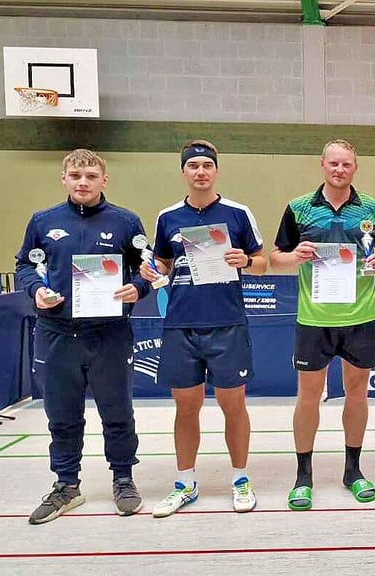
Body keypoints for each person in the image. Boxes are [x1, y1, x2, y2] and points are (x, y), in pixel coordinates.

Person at [16, 149, 149, 524]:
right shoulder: (43, 221)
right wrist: (34, 292)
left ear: (104, 180)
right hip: (58, 332)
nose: (83, 182)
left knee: (117, 411)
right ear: (64, 179)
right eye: (76, 176)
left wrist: (138, 287)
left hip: (109, 333)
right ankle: (66, 485)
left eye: (91, 175)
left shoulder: (126, 222)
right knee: (61, 414)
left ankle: (123, 477)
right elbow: (25, 264)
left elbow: (147, 266)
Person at [142, 140, 267, 518]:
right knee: (186, 408)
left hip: (226, 323)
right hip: (181, 324)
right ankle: (185, 483)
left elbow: (262, 262)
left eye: (206, 166)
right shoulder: (167, 217)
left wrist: (245, 259)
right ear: (184, 172)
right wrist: (152, 271)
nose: (200, 171)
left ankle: (241, 479)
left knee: (234, 406)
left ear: (216, 171)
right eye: (193, 165)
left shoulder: (237, 213)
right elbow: (161, 263)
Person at [269, 139, 375, 510]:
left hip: (361, 318)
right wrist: (294, 255)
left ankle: (352, 471)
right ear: (322, 165)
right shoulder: (299, 208)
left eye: (347, 165)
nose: (340, 170)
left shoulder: (372, 208)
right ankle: (303, 476)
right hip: (314, 319)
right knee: (309, 396)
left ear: (355, 168)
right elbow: (276, 258)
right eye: (334, 163)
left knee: (357, 394)